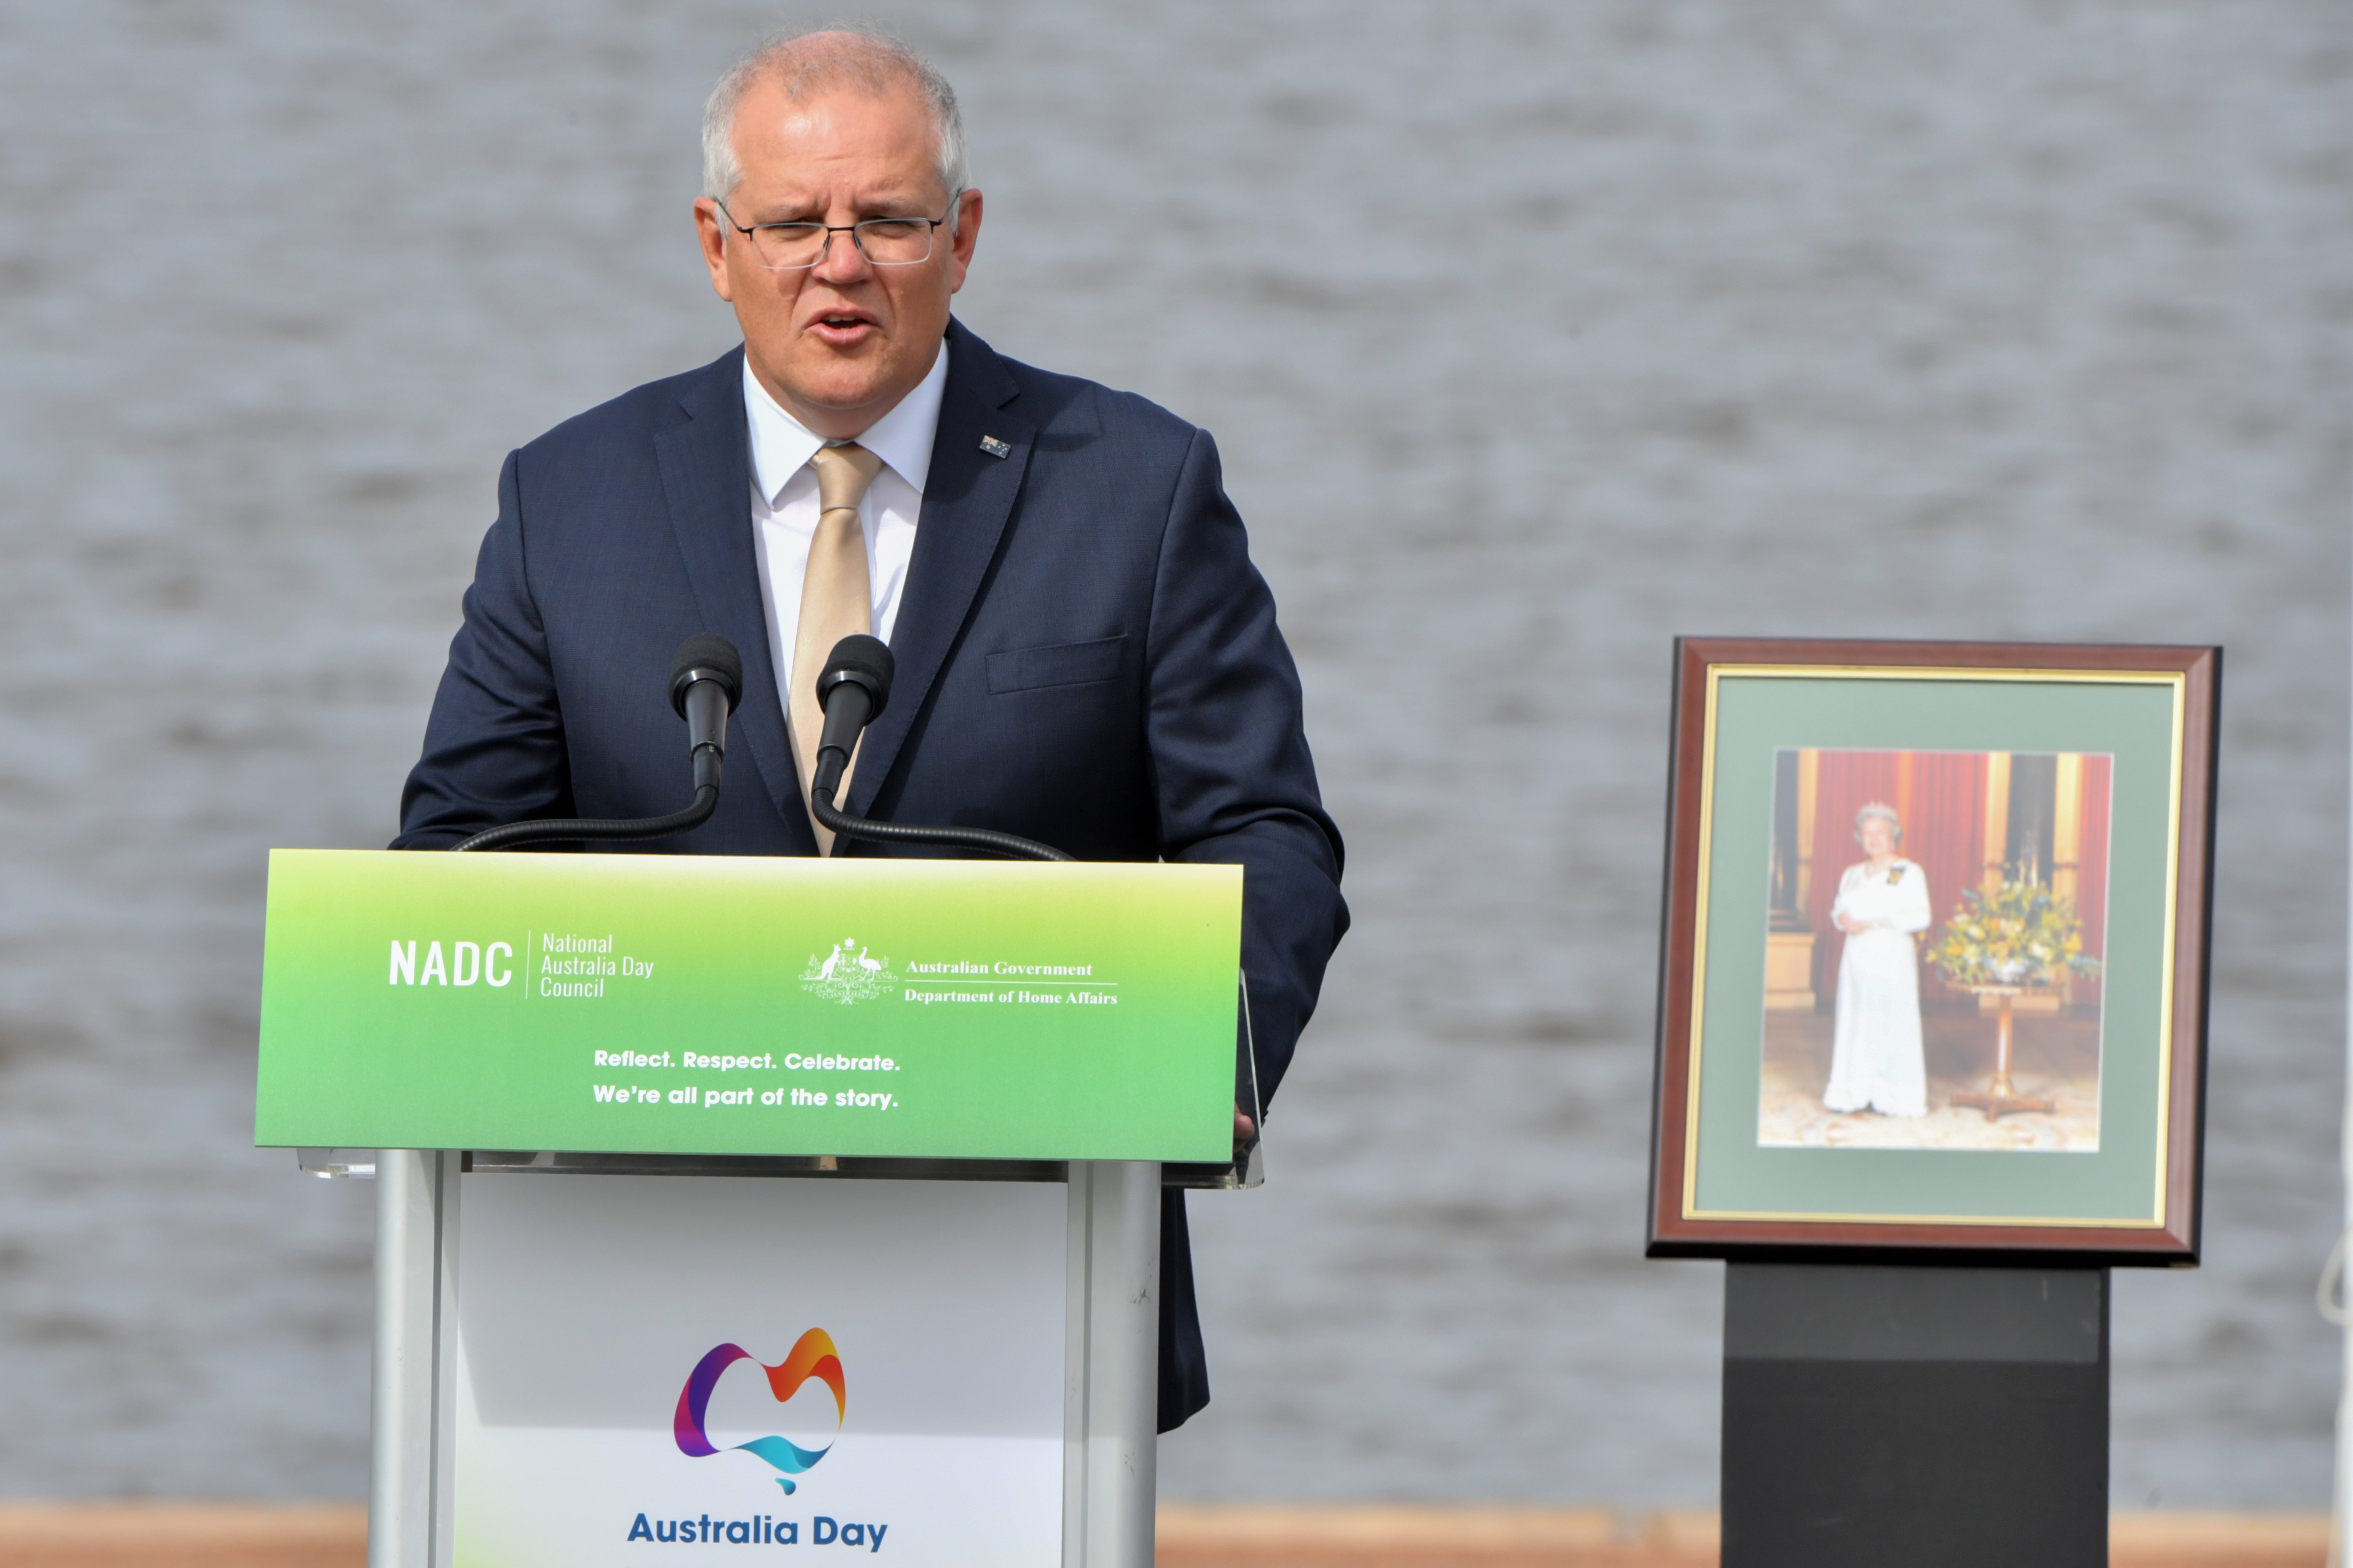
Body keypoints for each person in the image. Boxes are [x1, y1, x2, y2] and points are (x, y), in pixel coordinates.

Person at [390, 28, 1348, 1432]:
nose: (837, 263)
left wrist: (1204, 1057)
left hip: (1032, 1277)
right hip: (641, 1304)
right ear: (717, 245)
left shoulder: (1133, 487)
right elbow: (460, 857)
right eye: (792, 223)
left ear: (961, 238)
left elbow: (1261, 831)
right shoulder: (566, 501)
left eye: (887, 221)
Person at [1822, 803, 1930, 1117]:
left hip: (1891, 954)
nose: (1873, 839)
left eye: (1879, 832)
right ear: (1860, 838)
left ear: (1893, 835)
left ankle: (1894, 1096)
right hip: (1856, 956)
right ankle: (1854, 1090)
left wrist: (1875, 922)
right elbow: (1838, 910)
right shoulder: (1852, 874)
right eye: (1867, 833)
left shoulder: (1909, 872)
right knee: (1856, 1018)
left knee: (1890, 1020)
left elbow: (1921, 917)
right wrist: (1843, 921)